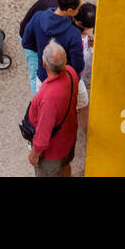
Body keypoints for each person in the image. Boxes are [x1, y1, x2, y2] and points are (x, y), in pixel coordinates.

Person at [18, 0, 84, 96]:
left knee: (36, 78)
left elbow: (26, 42)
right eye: (78, 8)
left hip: (42, 72)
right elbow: (77, 65)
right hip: (59, 79)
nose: (79, 11)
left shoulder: (38, 16)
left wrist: (41, 50)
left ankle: (37, 104)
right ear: (70, 11)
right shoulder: (73, 33)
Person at [27, 40, 79, 177]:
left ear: (44, 64)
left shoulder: (48, 98)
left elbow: (43, 135)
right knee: (65, 167)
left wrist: (34, 154)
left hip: (53, 153)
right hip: (68, 138)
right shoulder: (71, 73)